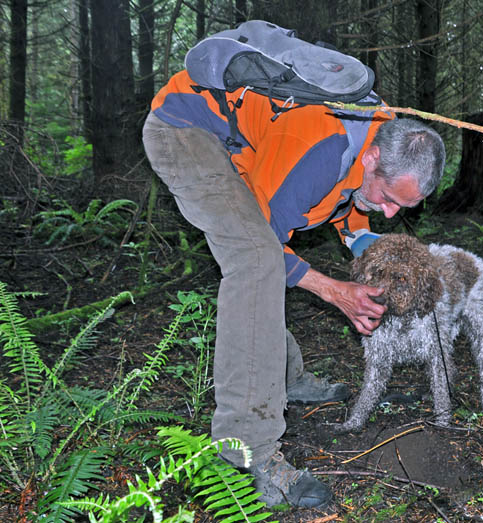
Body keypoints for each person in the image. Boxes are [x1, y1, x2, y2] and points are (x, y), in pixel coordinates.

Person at [142, 68, 445, 508]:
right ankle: (248, 451)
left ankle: (285, 377)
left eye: (404, 205)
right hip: (187, 130)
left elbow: (347, 193)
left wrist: (367, 241)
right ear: (373, 159)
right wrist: (333, 290)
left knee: (261, 258)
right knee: (256, 260)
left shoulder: (378, 128)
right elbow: (267, 244)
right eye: (389, 198)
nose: (390, 213)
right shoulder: (319, 147)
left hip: (248, 143)